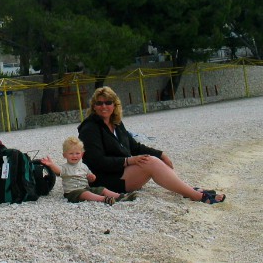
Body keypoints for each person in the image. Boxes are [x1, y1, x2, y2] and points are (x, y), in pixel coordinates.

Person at [77, 86, 226, 205]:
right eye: (99, 103)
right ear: (94, 107)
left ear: (114, 105)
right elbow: (96, 161)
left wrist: (161, 154)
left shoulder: (116, 123)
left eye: (108, 102)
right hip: (105, 179)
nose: (104, 106)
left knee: (154, 159)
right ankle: (196, 196)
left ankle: (187, 190)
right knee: (151, 163)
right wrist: (128, 161)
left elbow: (135, 147)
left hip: (121, 172)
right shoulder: (90, 128)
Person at [41, 136, 137, 205]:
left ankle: (120, 196)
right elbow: (58, 171)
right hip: (72, 192)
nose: (74, 156)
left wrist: (92, 178)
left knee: (101, 189)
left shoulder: (84, 166)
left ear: (82, 154)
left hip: (85, 188)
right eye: (71, 153)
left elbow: (90, 178)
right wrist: (51, 164)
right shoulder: (65, 167)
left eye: (77, 153)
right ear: (64, 155)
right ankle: (104, 199)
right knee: (86, 194)